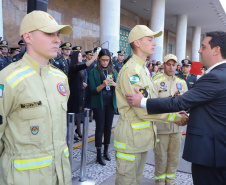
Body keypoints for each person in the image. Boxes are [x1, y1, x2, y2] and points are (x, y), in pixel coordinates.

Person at [125, 31, 226, 185]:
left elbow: (180, 102)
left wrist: (143, 102)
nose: (199, 50)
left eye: (203, 47)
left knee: (174, 159)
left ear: (216, 50)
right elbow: (213, 109)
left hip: (210, 155)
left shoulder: (215, 77)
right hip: (167, 131)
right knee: (161, 158)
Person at [0, 10, 72, 185]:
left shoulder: (60, 78)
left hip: (60, 176)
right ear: (28, 37)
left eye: (57, 34)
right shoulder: (8, 79)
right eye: (49, 33)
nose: (57, 40)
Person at [114, 25, 187, 185]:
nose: (154, 43)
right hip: (130, 141)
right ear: (137, 43)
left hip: (140, 139)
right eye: (150, 39)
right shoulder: (132, 71)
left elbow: (151, 102)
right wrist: (174, 116)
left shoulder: (143, 69)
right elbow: (142, 110)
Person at [152, 54, 188, 185]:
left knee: (174, 157)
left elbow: (186, 103)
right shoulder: (155, 82)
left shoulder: (182, 83)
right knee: (160, 157)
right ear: (164, 65)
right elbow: (153, 105)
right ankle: (160, 182)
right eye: (169, 64)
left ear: (177, 66)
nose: (171, 67)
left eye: (174, 64)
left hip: (177, 127)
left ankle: (170, 181)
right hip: (162, 128)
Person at [89, 49, 118, 166]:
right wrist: (103, 85)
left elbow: (119, 85)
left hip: (110, 102)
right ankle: (98, 154)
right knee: (99, 128)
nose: (105, 62)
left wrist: (115, 84)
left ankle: (106, 151)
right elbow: (92, 90)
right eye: (103, 60)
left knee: (108, 127)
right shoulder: (94, 72)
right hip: (99, 102)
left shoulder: (113, 71)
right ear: (98, 59)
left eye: (107, 60)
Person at [67, 50, 97, 139]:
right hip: (74, 95)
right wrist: (94, 58)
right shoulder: (73, 66)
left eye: (81, 56)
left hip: (80, 93)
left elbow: (78, 79)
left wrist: (82, 84)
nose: (81, 57)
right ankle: (71, 133)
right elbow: (85, 65)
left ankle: (78, 130)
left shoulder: (78, 68)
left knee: (79, 112)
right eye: (79, 56)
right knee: (73, 114)